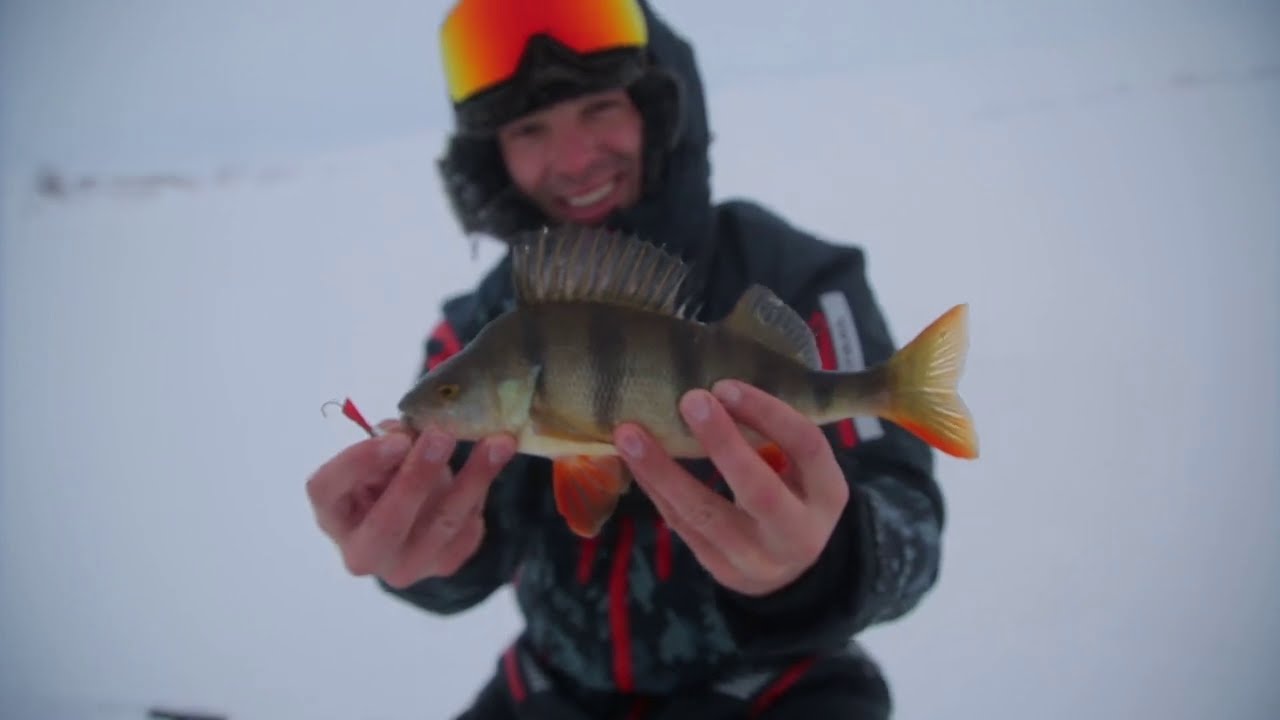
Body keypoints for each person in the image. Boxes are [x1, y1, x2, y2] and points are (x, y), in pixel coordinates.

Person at [305, 1, 948, 717]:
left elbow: (909, 524)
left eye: (600, 108)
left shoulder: (790, 273)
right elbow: (467, 535)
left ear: (658, 106)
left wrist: (821, 564)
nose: (575, 159)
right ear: (495, 155)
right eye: (530, 129)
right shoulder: (477, 330)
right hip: (550, 693)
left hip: (776, 689)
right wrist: (420, 557)